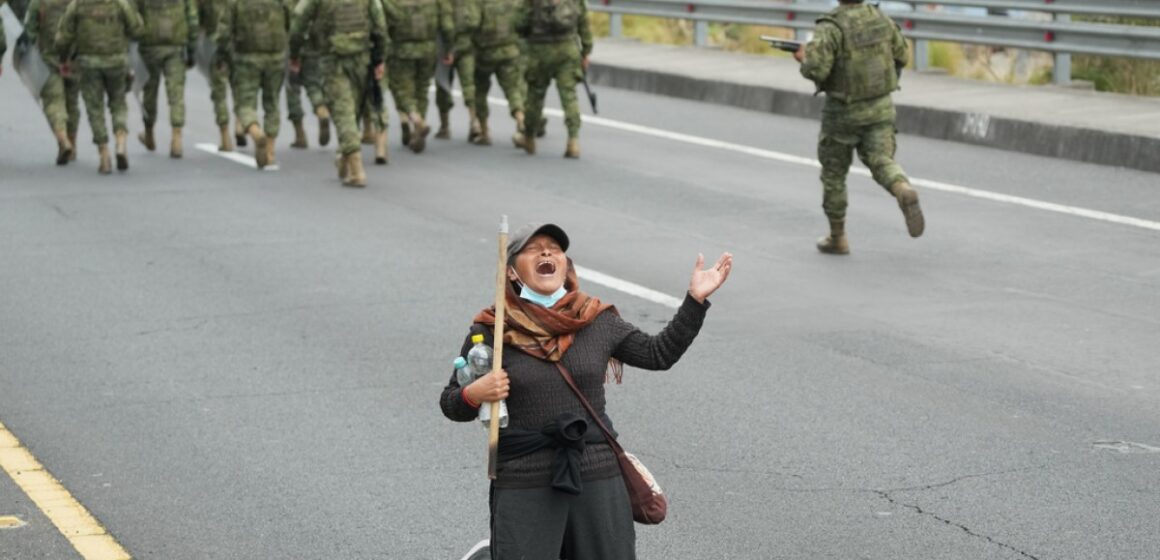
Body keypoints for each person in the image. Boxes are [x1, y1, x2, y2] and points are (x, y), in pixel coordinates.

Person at [439, 223, 733, 559]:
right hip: (523, 476)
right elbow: (451, 403)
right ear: (512, 273)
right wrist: (474, 393)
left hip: (595, 471)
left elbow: (658, 354)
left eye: (555, 248)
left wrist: (694, 301)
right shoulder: (491, 330)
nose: (547, 252)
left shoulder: (596, 320)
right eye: (533, 249)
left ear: (565, 265)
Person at [795, 0, 924, 255]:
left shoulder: (830, 26)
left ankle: (837, 237)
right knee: (881, 160)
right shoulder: (881, 18)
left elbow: (816, 69)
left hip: (842, 113)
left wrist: (803, 57)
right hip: (881, 109)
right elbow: (903, 55)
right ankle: (902, 188)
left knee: (834, 175)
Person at [291, 0, 387, 187]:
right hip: (361, 58)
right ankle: (344, 160)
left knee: (344, 113)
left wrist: (295, 54)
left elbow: (298, 23)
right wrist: (380, 57)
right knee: (354, 112)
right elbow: (380, 25)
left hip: (333, 59)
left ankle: (357, 170)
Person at [55, 0, 144, 174]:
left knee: (94, 108)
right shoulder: (121, 3)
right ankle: (120, 142)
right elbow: (137, 30)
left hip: (89, 63)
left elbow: (63, 37)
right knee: (118, 103)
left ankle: (104, 154)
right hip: (117, 61)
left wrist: (64, 56)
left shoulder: (78, 4)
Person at [217, 0, 293, 169]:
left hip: (246, 59)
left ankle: (256, 132)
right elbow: (289, 22)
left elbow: (223, 32)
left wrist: (221, 55)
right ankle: (270, 151)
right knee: (272, 103)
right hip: (275, 57)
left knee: (245, 103)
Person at [519, 0, 591, 158]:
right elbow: (583, 21)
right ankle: (573, 141)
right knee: (569, 97)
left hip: (540, 51)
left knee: (534, 96)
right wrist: (586, 50)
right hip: (567, 49)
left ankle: (529, 137)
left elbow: (520, 22)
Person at [383, 0, 453, 154]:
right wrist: (448, 49)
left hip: (402, 51)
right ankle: (417, 133)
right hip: (428, 50)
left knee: (402, 91)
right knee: (422, 90)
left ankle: (416, 120)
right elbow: (447, 26)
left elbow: (385, 21)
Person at [133, 0, 198, 158]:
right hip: (175, 47)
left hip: (150, 47)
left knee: (149, 92)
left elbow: (132, 15)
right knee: (176, 93)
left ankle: (149, 133)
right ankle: (176, 139)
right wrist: (192, 48)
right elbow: (192, 18)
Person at [23, 0, 83, 164]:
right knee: (72, 104)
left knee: (53, 103)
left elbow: (30, 32)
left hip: (49, 61)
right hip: (73, 61)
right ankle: (73, 145)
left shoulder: (39, 2)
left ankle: (63, 140)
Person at [470, 0, 526, 147]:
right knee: (513, 89)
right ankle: (520, 118)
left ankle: (484, 132)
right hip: (509, 51)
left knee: (480, 92)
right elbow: (522, 21)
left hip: (485, 54)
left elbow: (473, 23)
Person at [433, 0, 480, 141]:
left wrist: (448, 49)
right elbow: (475, 22)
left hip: (445, 49)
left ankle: (445, 126)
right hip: (466, 47)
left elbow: (445, 26)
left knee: (442, 85)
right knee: (469, 85)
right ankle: (474, 122)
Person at [196, 0, 236, 151]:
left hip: (215, 45)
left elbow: (197, 21)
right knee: (240, 87)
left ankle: (225, 136)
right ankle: (240, 124)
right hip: (237, 44)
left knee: (219, 92)